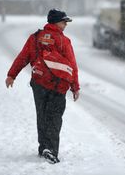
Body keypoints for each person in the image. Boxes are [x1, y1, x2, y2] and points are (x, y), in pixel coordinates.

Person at [5, 9, 80, 164]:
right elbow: (72, 65)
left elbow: (23, 57)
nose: (66, 24)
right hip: (58, 85)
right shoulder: (63, 41)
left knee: (42, 115)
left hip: (39, 84)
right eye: (63, 21)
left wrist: (12, 75)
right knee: (54, 117)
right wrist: (75, 86)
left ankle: (43, 147)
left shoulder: (35, 38)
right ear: (55, 22)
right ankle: (51, 150)